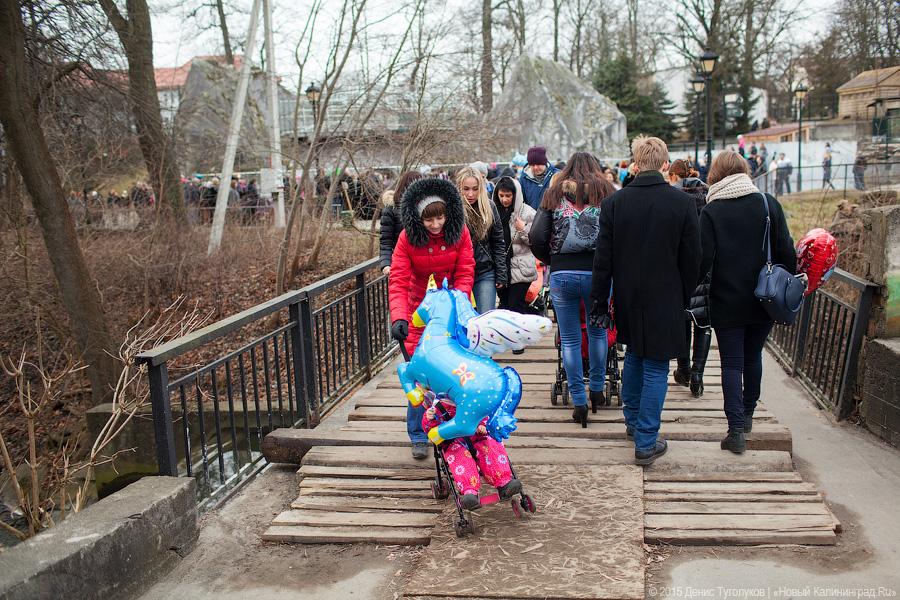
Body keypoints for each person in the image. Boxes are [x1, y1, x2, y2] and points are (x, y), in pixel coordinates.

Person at [590, 136, 701, 465]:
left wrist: (599, 301)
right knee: (654, 364)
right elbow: (693, 258)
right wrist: (683, 291)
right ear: (665, 164)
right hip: (665, 293)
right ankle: (646, 439)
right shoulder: (681, 203)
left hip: (627, 294)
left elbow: (603, 260)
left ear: (635, 164)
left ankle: (634, 422)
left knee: (636, 356)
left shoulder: (615, 204)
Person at [699, 151, 795, 454]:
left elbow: (703, 260)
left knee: (731, 363)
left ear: (716, 174)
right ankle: (750, 413)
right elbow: (787, 252)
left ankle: (736, 430)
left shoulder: (712, 211)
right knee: (753, 357)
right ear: (744, 171)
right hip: (763, 298)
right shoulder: (767, 203)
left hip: (726, 299)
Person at [389, 178, 475, 459]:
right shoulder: (406, 239)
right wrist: (399, 317)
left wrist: (457, 305)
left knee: (454, 373)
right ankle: (417, 434)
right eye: (429, 220)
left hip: (451, 310)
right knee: (419, 374)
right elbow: (399, 279)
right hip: (418, 312)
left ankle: (455, 427)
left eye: (440, 218)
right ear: (418, 218)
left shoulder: (459, 233)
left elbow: (465, 271)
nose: (436, 225)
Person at [531, 152, 615, 427]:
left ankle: (578, 400)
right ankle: (598, 387)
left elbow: (537, 236)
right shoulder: (606, 192)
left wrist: (552, 259)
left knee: (569, 339)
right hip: (597, 272)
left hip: (563, 272)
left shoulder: (553, 193)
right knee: (597, 329)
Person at [422, 395, 521, 510]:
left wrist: (483, 424)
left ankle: (504, 482)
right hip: (454, 442)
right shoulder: (437, 407)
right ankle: (469, 492)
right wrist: (430, 419)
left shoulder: (474, 398)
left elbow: (485, 412)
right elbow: (431, 431)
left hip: (477, 436)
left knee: (491, 447)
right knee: (462, 462)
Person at [667, 159, 712, 397]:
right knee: (704, 321)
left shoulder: (673, 198)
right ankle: (698, 374)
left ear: (674, 175)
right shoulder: (708, 195)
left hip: (679, 266)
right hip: (705, 265)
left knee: (684, 316)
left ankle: (683, 368)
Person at [456, 167, 508, 312]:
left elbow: (498, 242)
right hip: (459, 272)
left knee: (486, 319)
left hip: (484, 271)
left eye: (475, 189)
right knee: (461, 320)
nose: (470, 194)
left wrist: (501, 274)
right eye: (466, 189)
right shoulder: (454, 209)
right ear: (459, 188)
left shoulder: (489, 207)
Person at [492, 175, 537, 327]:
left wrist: (523, 229)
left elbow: (536, 241)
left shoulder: (527, 212)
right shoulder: (493, 212)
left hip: (521, 266)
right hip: (501, 266)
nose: (505, 199)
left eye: (508, 196)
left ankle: (518, 340)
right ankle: (507, 337)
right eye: (501, 195)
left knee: (515, 305)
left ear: (515, 195)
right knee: (504, 304)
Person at [379, 171, 422, 276]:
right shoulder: (391, 210)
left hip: (423, 264)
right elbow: (386, 241)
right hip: (401, 263)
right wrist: (386, 264)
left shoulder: (425, 207)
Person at [519, 145, 560, 210]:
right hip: (531, 218)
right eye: (532, 165)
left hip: (552, 217)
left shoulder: (557, 176)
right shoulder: (524, 178)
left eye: (538, 164)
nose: (535, 167)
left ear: (544, 162)